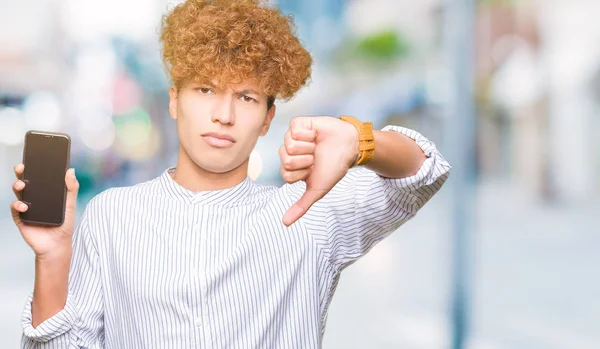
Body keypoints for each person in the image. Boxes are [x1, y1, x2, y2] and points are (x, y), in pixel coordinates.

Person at [11, 0, 451, 348]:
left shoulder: (306, 214)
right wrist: (51, 260)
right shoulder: (113, 216)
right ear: (173, 100)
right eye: (205, 89)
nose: (223, 114)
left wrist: (361, 140)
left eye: (245, 97)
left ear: (267, 117)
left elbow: (423, 173)